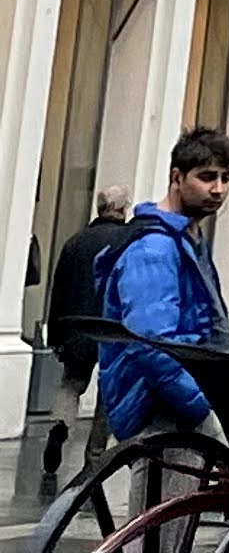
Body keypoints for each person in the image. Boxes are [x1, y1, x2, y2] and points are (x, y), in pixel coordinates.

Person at [97, 132, 229, 448]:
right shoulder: (154, 249)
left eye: (225, 178)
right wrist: (201, 409)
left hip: (174, 406)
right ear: (177, 176)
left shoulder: (184, 239)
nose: (218, 189)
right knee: (167, 497)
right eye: (207, 177)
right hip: (163, 414)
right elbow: (152, 345)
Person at [35, 186, 132, 487]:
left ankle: (60, 425)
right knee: (107, 395)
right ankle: (94, 459)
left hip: (76, 329)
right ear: (122, 209)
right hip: (111, 331)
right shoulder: (127, 243)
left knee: (71, 384)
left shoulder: (75, 242)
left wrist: (55, 333)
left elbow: (59, 289)